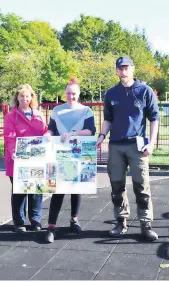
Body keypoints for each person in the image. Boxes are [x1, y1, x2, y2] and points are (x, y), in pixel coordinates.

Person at [96, 56, 160, 241]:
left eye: (126, 68)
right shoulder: (111, 94)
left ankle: (145, 224)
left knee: (142, 186)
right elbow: (108, 118)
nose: (123, 71)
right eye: (120, 68)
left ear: (132, 69)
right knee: (117, 186)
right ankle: (120, 220)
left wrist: (152, 142)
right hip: (116, 145)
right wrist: (102, 136)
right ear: (116, 71)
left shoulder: (145, 91)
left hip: (137, 145)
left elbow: (154, 118)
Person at [43, 78, 96, 243]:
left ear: (78, 94)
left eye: (74, 94)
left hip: (77, 153)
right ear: (64, 94)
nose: (71, 96)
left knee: (75, 187)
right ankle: (51, 226)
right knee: (57, 190)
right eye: (68, 93)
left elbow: (90, 131)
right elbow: (51, 129)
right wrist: (48, 134)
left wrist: (73, 133)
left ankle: (74, 220)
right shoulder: (57, 110)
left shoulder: (86, 111)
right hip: (59, 153)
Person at [3, 84, 48, 233]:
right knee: (19, 192)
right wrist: (13, 152)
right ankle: (19, 222)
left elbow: (45, 132)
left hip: (36, 159)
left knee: (36, 190)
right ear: (17, 98)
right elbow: (9, 137)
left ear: (31, 98)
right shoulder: (10, 116)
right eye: (21, 96)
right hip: (17, 159)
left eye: (27, 96)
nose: (24, 99)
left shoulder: (38, 114)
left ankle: (35, 220)